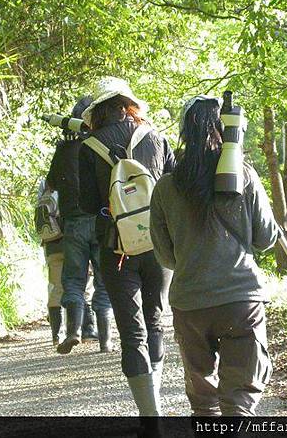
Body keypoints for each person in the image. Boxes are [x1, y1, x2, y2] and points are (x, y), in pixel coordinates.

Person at [150, 96, 279, 416]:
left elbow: (165, 256)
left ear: (184, 133)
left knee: (204, 403)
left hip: (190, 304)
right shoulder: (246, 176)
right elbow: (265, 239)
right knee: (239, 399)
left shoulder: (166, 187)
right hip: (240, 302)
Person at [78, 77, 175, 422]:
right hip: (159, 247)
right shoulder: (156, 136)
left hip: (117, 250)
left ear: (99, 109)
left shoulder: (88, 146)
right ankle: (157, 405)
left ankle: (151, 418)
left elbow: (87, 204)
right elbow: (172, 187)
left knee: (131, 333)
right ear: (128, 104)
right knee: (155, 322)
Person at [46, 96, 114, 354]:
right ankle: (106, 341)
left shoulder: (64, 150)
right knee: (103, 280)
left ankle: (74, 331)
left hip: (73, 223)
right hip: (101, 221)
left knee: (73, 280)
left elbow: (52, 183)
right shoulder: (102, 146)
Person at [35, 180, 65, 346]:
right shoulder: (76, 175)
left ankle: (56, 334)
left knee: (55, 286)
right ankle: (86, 329)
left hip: (51, 242)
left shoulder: (46, 184)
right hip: (72, 240)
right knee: (82, 284)